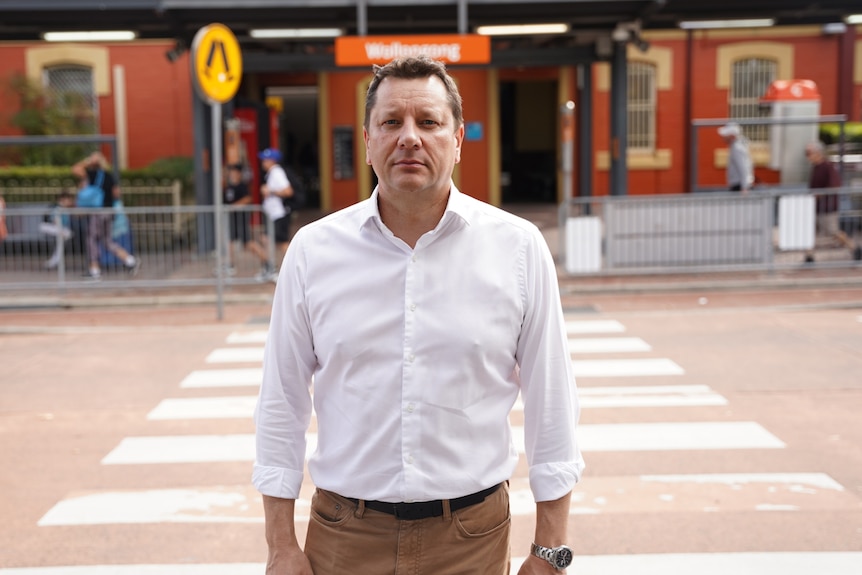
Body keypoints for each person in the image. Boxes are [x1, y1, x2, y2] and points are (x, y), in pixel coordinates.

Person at [253, 56, 583, 575]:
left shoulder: (518, 249)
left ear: (457, 140)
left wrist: (551, 551)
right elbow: (281, 400)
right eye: (391, 122)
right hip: (344, 538)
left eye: (428, 122)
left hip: (471, 538)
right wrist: (279, 545)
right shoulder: (313, 251)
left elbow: (553, 403)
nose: (409, 137)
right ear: (367, 140)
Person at [71, 152, 140, 280]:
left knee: (91, 239)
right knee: (106, 241)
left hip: (97, 212)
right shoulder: (109, 176)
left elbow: (75, 169)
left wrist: (87, 161)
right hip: (109, 211)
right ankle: (130, 260)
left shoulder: (90, 174)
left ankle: (95, 270)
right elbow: (116, 194)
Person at [803, 140, 862, 263]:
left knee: (833, 232)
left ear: (817, 153)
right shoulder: (816, 167)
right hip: (816, 206)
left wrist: (820, 195)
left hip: (827, 207)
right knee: (810, 231)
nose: (807, 156)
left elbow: (835, 185)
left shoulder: (827, 167)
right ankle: (809, 255)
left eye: (809, 153)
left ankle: (854, 248)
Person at [221, 163, 271, 278]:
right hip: (232, 219)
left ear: (238, 174)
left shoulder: (242, 186)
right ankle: (230, 264)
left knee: (248, 243)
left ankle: (267, 261)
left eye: (234, 172)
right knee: (230, 242)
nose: (231, 174)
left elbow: (248, 198)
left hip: (241, 218)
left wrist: (235, 206)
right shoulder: (228, 187)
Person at [257, 147, 295, 281]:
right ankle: (271, 267)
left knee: (282, 242)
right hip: (274, 215)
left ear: (272, 161)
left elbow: (288, 191)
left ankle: (294, 267)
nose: (262, 162)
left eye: (265, 159)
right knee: (267, 239)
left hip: (279, 214)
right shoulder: (272, 173)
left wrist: (270, 191)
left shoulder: (277, 172)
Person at [39, 188, 76, 269]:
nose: (70, 202)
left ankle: (54, 261)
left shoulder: (66, 209)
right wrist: (60, 230)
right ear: (63, 199)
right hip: (53, 227)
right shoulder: (58, 208)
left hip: (61, 229)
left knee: (61, 242)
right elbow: (55, 220)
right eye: (68, 200)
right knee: (65, 235)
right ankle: (55, 261)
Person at [718, 122, 754, 193]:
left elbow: (743, 168)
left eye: (725, 135)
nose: (723, 137)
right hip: (739, 185)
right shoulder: (736, 146)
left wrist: (745, 187)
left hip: (739, 186)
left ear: (731, 136)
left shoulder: (737, 148)